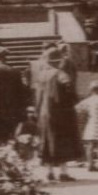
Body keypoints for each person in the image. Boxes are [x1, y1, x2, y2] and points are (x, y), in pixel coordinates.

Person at [31, 49, 83, 181]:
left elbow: (37, 96)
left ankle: (49, 171)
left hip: (43, 113)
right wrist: (74, 100)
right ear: (59, 61)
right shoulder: (60, 73)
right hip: (60, 113)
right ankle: (63, 172)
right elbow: (68, 86)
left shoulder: (41, 75)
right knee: (62, 141)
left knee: (47, 141)